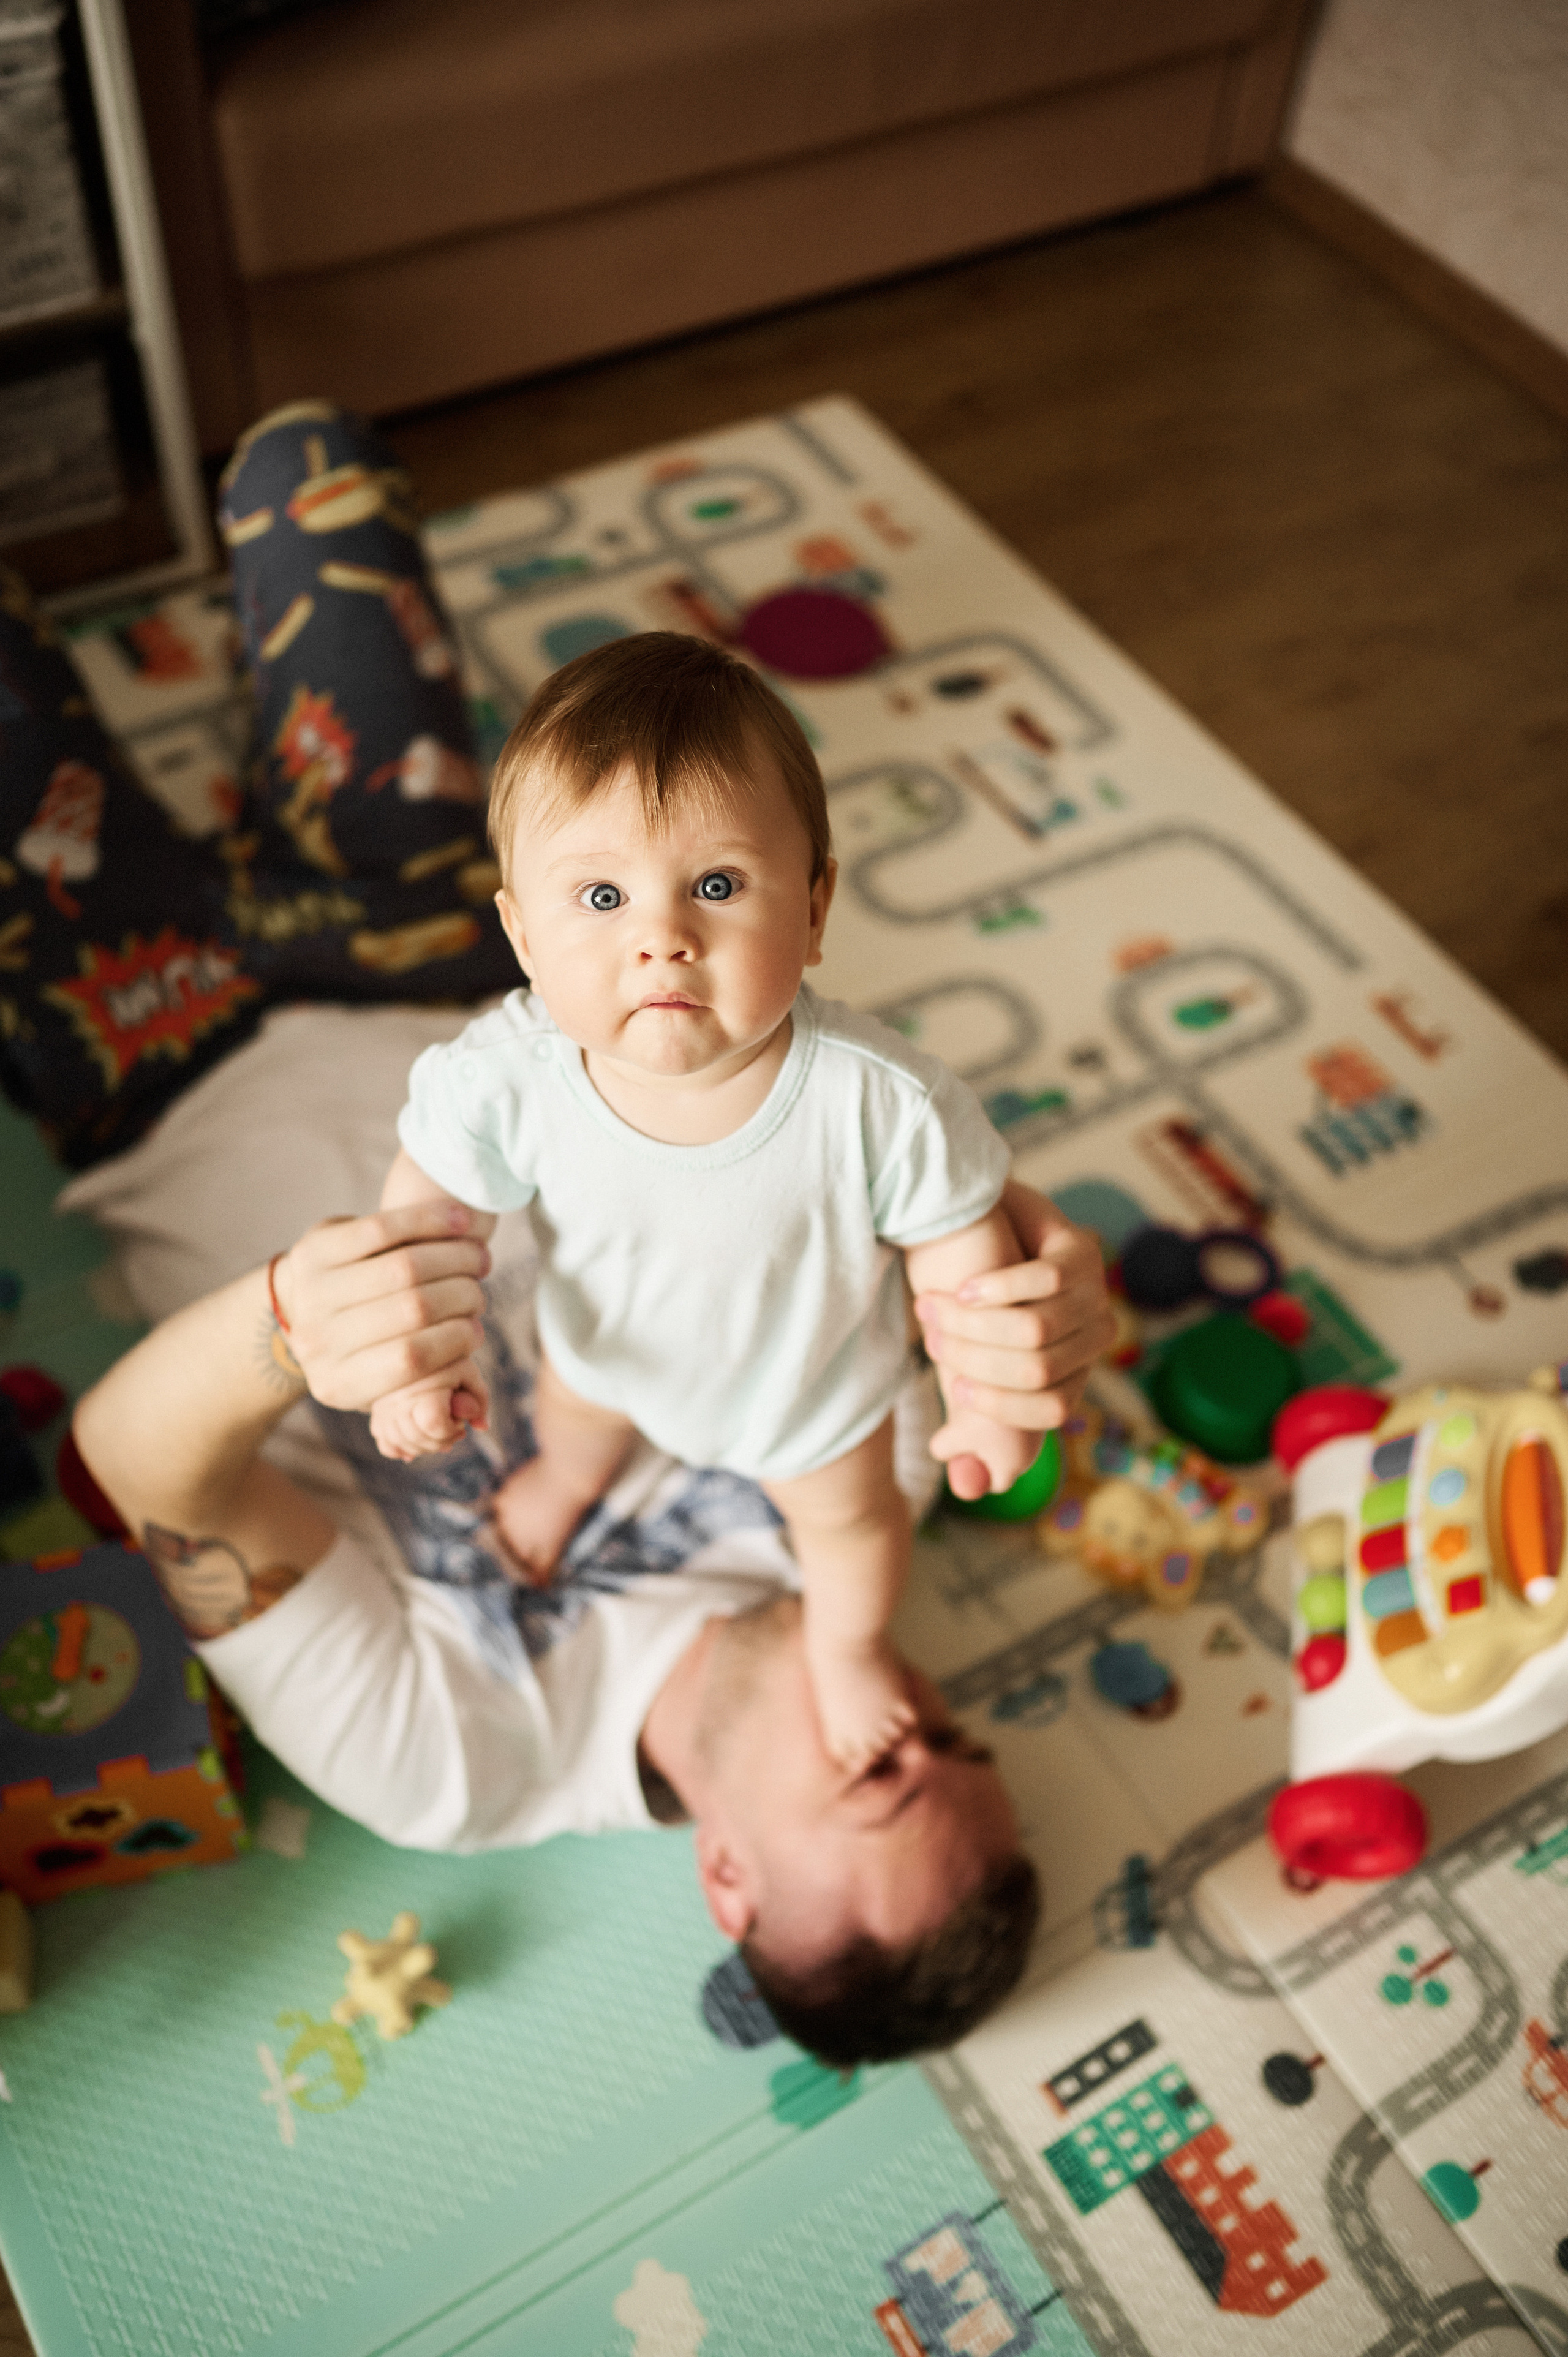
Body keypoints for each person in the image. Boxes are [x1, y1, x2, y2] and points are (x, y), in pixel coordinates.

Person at [4, 403, 1116, 2064]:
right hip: (480, 961)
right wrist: (1040, 1288)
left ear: (731, 1884)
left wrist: (295, 1333)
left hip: (154, 1061)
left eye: (886, 1782)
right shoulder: (851, 1482)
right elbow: (912, 1195)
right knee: (308, 471)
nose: (908, 1721)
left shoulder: (459, 1763)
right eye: (956, 1735)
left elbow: (141, 1469)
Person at [368, 632, 1038, 1773]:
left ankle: (848, 1647)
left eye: (717, 886)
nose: (662, 936)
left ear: (817, 909)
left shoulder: (880, 1097)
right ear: (525, 935)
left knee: (856, 1527)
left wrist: (986, 1398)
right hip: (605, 1349)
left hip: (812, 1388)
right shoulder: (508, 1076)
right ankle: (569, 1481)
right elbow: (427, 1223)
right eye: (600, 896)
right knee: (577, 1423)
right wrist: (416, 1357)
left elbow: (963, 1258)